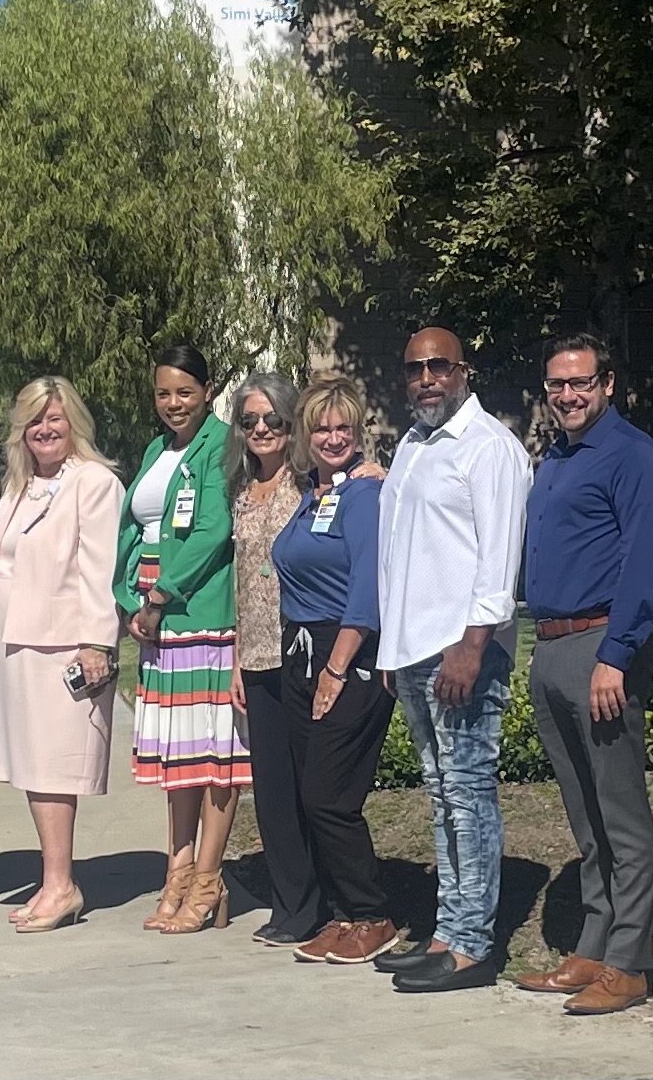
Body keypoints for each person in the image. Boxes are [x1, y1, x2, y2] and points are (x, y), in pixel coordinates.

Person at [512, 334, 653, 1015]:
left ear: (607, 383)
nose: (567, 395)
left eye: (580, 383)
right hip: (550, 646)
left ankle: (630, 962)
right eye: (556, 384)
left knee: (621, 814)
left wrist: (616, 654)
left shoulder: (633, 456)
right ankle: (595, 942)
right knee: (585, 817)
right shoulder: (557, 458)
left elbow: (641, 562)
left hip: (602, 645)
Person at [371, 327, 530, 992]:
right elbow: (400, 554)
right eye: (415, 368)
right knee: (440, 794)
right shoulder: (412, 445)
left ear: (463, 370)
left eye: (439, 365)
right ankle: (447, 929)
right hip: (413, 647)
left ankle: (472, 945)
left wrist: (473, 645)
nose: (427, 377)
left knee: (467, 793)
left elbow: (499, 560)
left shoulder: (489, 447)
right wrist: (390, 644)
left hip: (463, 649)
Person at [0, 374, 124, 933]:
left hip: (61, 644)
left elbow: (100, 569)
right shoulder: (19, 484)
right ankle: (52, 878)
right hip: (10, 639)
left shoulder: (95, 483)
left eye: (54, 418)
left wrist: (98, 642)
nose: (44, 429)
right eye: (34, 420)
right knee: (33, 763)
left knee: (55, 764)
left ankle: (62, 884)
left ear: (73, 422)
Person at [253, 376, 393, 963]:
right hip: (299, 650)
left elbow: (368, 585)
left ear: (358, 432)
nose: (334, 438)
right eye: (322, 428)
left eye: (344, 428)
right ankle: (342, 913)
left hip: (346, 653)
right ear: (305, 437)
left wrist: (336, 669)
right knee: (309, 794)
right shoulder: (316, 494)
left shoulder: (366, 495)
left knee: (328, 795)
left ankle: (372, 913)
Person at [119, 345, 247, 934]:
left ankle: (209, 879)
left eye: (185, 392)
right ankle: (178, 870)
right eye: (164, 393)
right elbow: (135, 528)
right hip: (155, 624)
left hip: (199, 616)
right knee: (179, 759)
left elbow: (213, 531)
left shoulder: (222, 444)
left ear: (208, 389)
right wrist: (130, 598)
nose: (174, 404)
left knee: (213, 757)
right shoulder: (156, 449)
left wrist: (161, 594)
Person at [224, 377, 302, 944]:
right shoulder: (240, 492)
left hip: (301, 649)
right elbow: (236, 582)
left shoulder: (312, 484)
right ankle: (291, 904)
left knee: (309, 787)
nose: (260, 430)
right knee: (271, 790)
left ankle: (324, 903)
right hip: (253, 654)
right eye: (250, 421)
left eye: (272, 420)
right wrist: (234, 662)